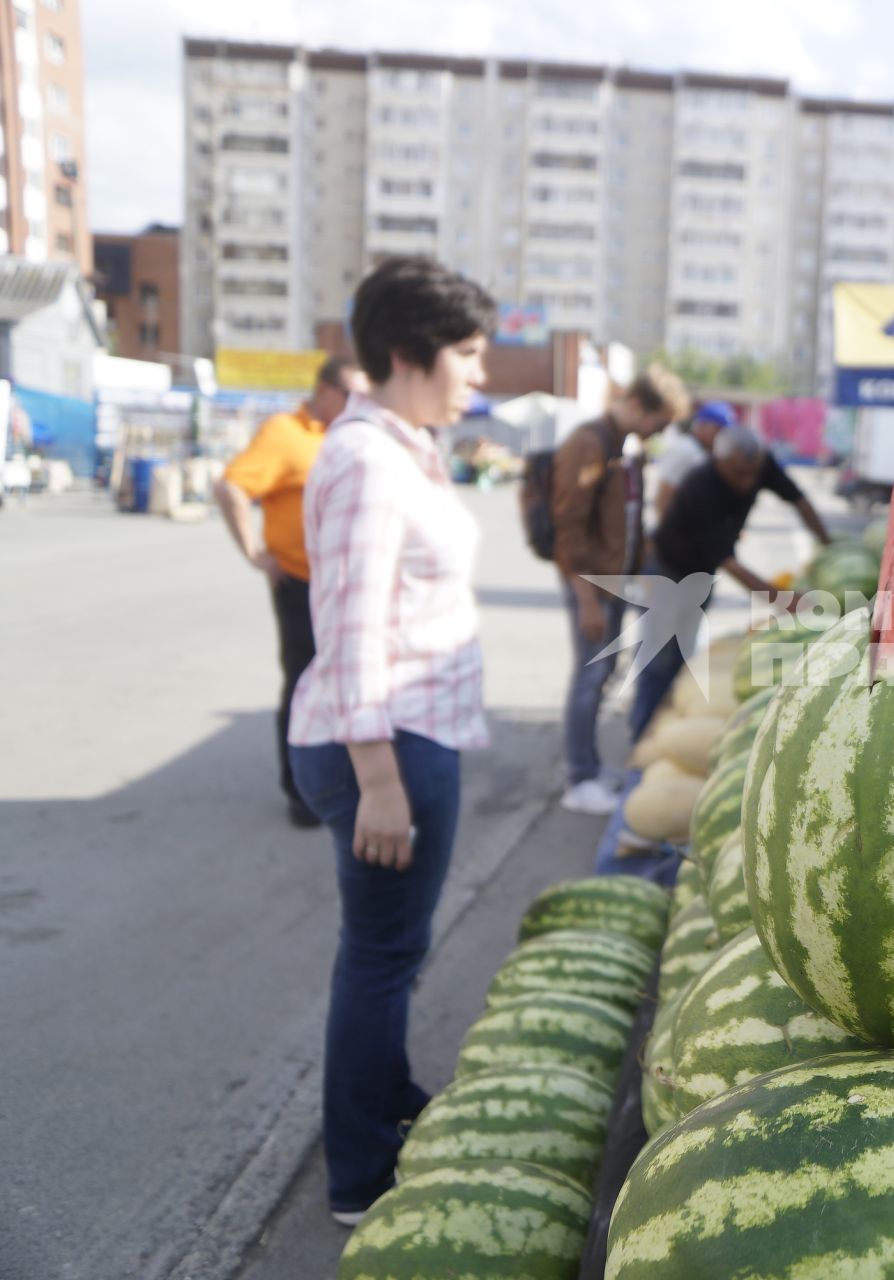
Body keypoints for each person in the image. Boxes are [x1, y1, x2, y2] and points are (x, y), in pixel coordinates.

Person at [286, 256, 494, 1224]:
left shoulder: (402, 444)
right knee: (377, 955)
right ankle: (358, 1175)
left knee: (391, 949)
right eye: (469, 354)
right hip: (388, 745)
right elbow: (350, 626)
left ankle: (385, 1097)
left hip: (412, 735)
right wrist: (377, 779)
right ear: (411, 354)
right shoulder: (368, 460)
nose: (479, 375)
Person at [215, 357, 370, 827]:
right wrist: (254, 553)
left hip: (351, 583)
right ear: (323, 391)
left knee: (353, 681)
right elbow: (232, 488)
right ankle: (302, 794)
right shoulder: (287, 433)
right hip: (301, 583)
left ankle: (350, 777)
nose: (357, 405)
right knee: (306, 684)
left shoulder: (354, 434)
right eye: (349, 395)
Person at [629, 426, 831, 750]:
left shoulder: (759, 463)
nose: (747, 482)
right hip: (667, 574)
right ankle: (640, 742)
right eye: (738, 474)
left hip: (701, 577)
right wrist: (780, 600)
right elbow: (730, 562)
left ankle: (664, 731)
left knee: (681, 656)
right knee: (657, 661)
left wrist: (828, 543)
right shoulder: (701, 486)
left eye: (753, 474)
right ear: (719, 461)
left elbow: (799, 499)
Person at [553, 365, 691, 815]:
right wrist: (586, 599)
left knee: (604, 672)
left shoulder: (621, 446)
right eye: (660, 422)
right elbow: (569, 526)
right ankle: (579, 778)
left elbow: (626, 523)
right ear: (637, 407)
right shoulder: (589, 443)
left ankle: (591, 767)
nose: (661, 432)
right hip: (591, 585)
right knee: (590, 676)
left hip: (614, 584)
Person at [650, 399, 734, 517]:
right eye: (718, 429)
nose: (722, 434)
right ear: (703, 424)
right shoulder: (685, 449)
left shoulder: (702, 451)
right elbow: (664, 496)